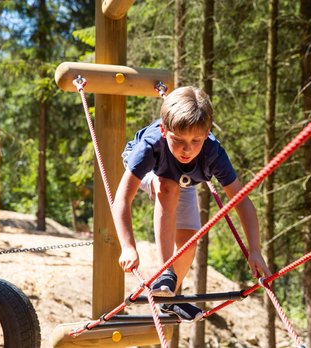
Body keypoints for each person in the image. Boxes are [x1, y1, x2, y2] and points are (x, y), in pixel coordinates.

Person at [113, 86, 271, 322]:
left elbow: (242, 200)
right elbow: (122, 199)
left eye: (195, 140)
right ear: (164, 131)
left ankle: (170, 297)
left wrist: (255, 249)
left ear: (207, 134)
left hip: (184, 181)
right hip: (153, 170)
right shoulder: (149, 145)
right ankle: (165, 273)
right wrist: (128, 246)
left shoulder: (213, 152)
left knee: (188, 240)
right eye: (179, 140)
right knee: (167, 187)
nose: (187, 149)